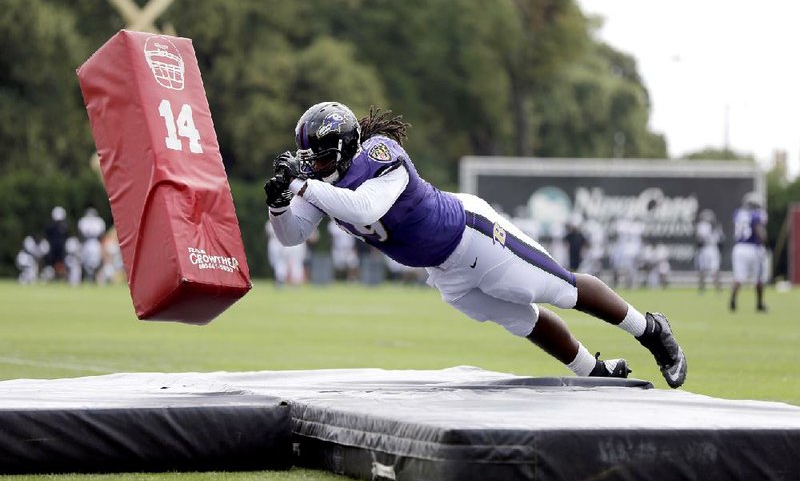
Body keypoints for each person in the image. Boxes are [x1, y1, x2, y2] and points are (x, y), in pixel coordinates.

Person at [264, 102, 687, 388]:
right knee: (523, 320)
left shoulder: (379, 152)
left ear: (347, 144)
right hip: (444, 271)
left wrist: (301, 185)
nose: (314, 166)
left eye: (320, 157)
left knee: (560, 289)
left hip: (473, 235)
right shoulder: (323, 184)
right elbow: (292, 236)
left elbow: (362, 207)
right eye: (309, 159)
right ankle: (595, 373)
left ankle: (650, 330)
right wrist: (279, 205)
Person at [730, 192, 768, 312]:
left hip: (739, 247)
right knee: (759, 278)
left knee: (738, 278)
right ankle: (759, 304)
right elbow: (759, 231)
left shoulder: (738, 214)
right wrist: (763, 239)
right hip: (753, 248)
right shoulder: (756, 215)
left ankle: (733, 301)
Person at [694, 209, 724, 292]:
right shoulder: (716, 226)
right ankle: (716, 288)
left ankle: (704, 288)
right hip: (711, 248)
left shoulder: (703, 225)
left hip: (707, 248)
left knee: (706, 270)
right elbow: (720, 239)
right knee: (710, 269)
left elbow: (699, 238)